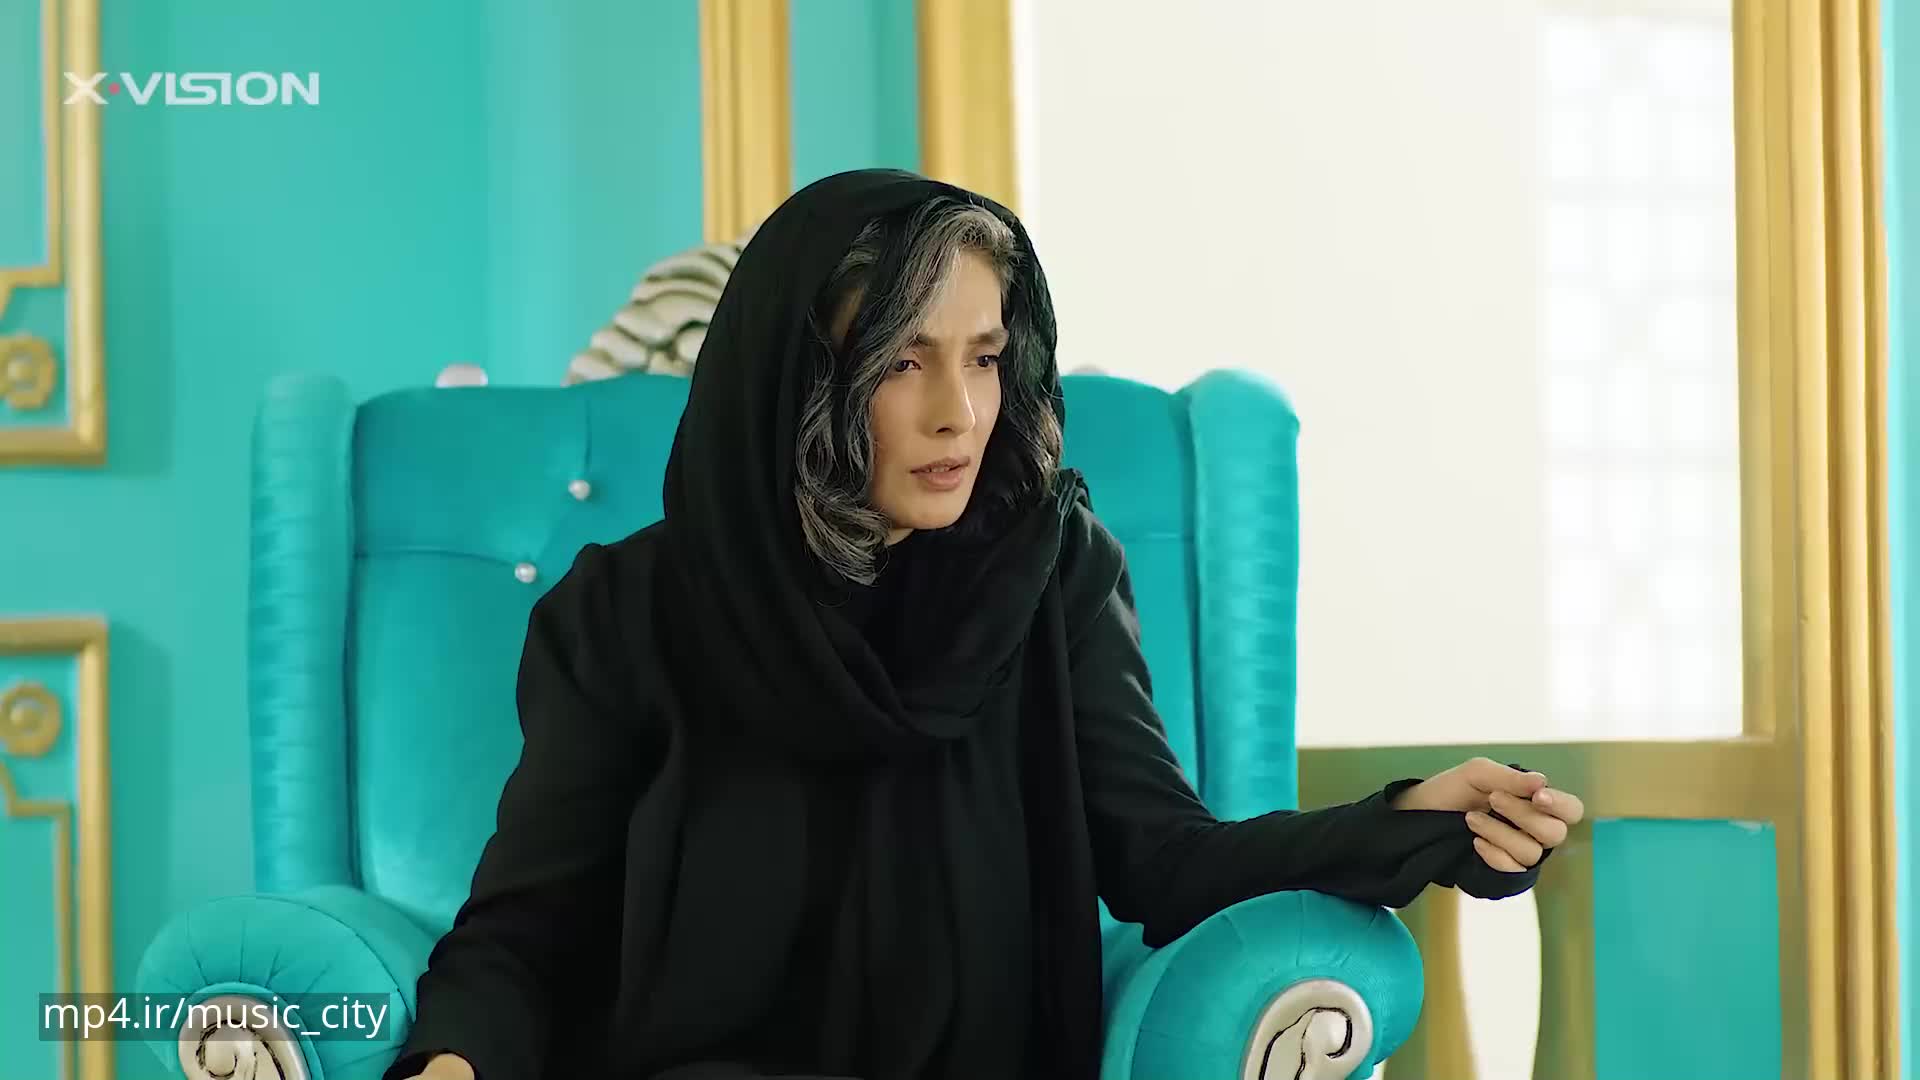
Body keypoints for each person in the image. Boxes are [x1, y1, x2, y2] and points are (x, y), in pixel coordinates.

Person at [386, 169, 1585, 1080]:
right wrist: (452, 1064)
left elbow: (1161, 857)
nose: (960, 414)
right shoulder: (626, 611)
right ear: (802, 384)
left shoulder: (1051, 571)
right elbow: (528, 926)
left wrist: (1408, 822)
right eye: (903, 364)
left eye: (986, 357)